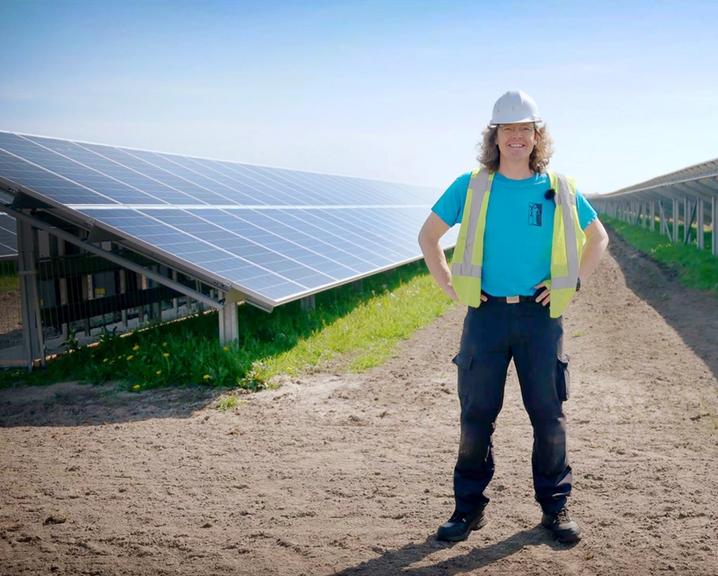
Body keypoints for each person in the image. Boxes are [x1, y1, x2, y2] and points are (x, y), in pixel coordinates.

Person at [418, 90, 609, 544]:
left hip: (540, 320)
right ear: (495, 136)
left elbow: (597, 238)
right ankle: (467, 510)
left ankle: (555, 509)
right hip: (484, 317)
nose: (517, 137)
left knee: (548, 416)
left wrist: (572, 282)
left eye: (525, 129)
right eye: (508, 130)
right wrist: (450, 284)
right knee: (476, 415)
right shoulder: (472, 185)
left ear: (536, 135)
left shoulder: (559, 188)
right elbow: (428, 237)